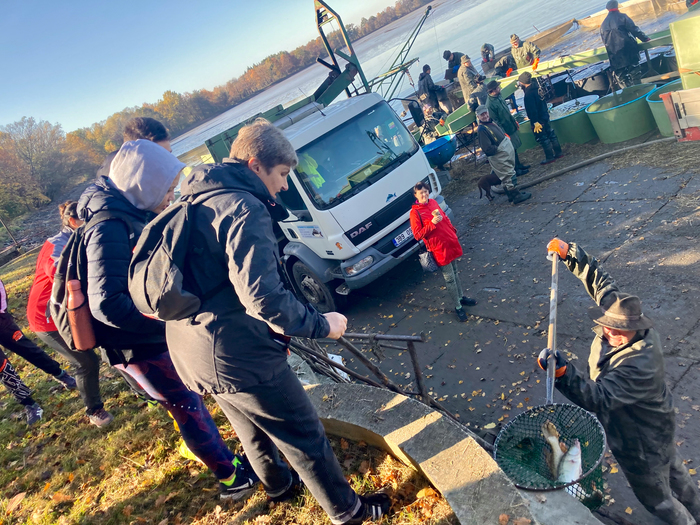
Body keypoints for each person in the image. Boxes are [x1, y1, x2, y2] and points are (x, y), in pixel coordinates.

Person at [161, 118, 392, 524]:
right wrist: (322, 325)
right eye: (282, 174)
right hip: (239, 352)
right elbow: (263, 298)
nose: (285, 185)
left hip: (192, 349)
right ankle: (348, 511)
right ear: (255, 166)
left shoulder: (197, 198)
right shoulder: (243, 207)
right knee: (304, 434)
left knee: (250, 427)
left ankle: (280, 486)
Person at [78, 139, 257, 500]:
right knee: (187, 407)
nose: (171, 195)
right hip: (137, 345)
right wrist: (166, 325)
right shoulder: (109, 226)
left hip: (146, 336)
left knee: (189, 404)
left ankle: (228, 463)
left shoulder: (125, 210)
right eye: (167, 188)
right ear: (143, 184)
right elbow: (106, 303)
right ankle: (231, 479)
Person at [540, 239, 700, 525]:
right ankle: (697, 507)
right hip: (658, 426)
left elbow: (599, 398)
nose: (607, 332)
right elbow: (603, 285)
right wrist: (571, 254)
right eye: (607, 325)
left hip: (640, 439)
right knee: (673, 468)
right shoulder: (624, 316)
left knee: (658, 498)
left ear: (632, 330)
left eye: (615, 331)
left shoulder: (638, 365)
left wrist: (564, 374)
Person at [26, 201, 113, 427]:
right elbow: (60, 273)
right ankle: (95, 411)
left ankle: (140, 387)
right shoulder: (57, 245)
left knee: (108, 341)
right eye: (87, 219)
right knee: (85, 361)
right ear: (73, 221)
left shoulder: (82, 237)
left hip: (75, 308)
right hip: (48, 317)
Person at [0, 277, 77, 426]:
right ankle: (29, 404)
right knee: (2, 368)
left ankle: (60, 374)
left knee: (28, 349)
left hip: (2, 322)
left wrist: (2, 312)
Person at [410, 181, 477, 321]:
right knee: (449, 278)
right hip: (438, 248)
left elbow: (445, 218)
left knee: (455, 272)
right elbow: (417, 235)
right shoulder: (415, 213)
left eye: (426, 191)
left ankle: (461, 297)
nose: (424, 194)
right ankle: (458, 306)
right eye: (421, 192)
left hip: (449, 241)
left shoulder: (433, 202)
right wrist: (432, 223)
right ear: (416, 195)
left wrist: (453, 231)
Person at [475, 106, 531, 205]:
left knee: (506, 175)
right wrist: (499, 149)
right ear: (478, 117)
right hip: (499, 157)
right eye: (482, 115)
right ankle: (516, 196)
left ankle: (510, 195)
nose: (485, 116)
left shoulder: (490, 122)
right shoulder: (482, 130)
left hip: (504, 155)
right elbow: (487, 148)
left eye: (485, 113)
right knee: (508, 175)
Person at [601, 0, 651, 88]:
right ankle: (639, 89)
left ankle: (630, 92)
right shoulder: (622, 17)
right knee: (635, 72)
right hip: (628, 49)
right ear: (617, 6)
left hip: (614, 54)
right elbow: (634, 29)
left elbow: (604, 41)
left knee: (623, 77)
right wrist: (645, 38)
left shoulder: (603, 24)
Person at [486, 80, 530, 176]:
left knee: (514, 147)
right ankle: (515, 170)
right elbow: (495, 121)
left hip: (510, 125)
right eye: (497, 88)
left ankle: (518, 165)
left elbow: (506, 111)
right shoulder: (490, 104)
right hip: (505, 129)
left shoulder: (499, 97)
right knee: (510, 150)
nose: (499, 89)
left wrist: (514, 121)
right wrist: (503, 133)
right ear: (493, 90)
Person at [519, 72, 563, 165]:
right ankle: (559, 153)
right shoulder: (537, 89)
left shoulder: (528, 95)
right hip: (545, 115)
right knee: (551, 134)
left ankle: (550, 157)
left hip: (538, 120)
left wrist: (535, 121)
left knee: (543, 138)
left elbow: (532, 109)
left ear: (523, 82)